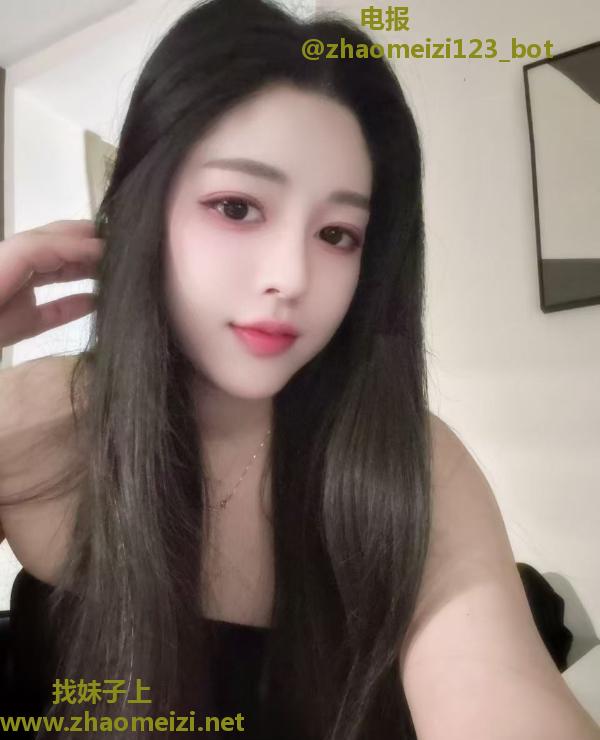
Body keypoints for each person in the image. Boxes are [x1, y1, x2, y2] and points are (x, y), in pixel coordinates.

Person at [0, 0, 598, 738]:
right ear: (141, 209)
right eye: (236, 207)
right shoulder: (35, 423)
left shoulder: (407, 464)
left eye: (338, 234)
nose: (291, 276)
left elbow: (496, 693)